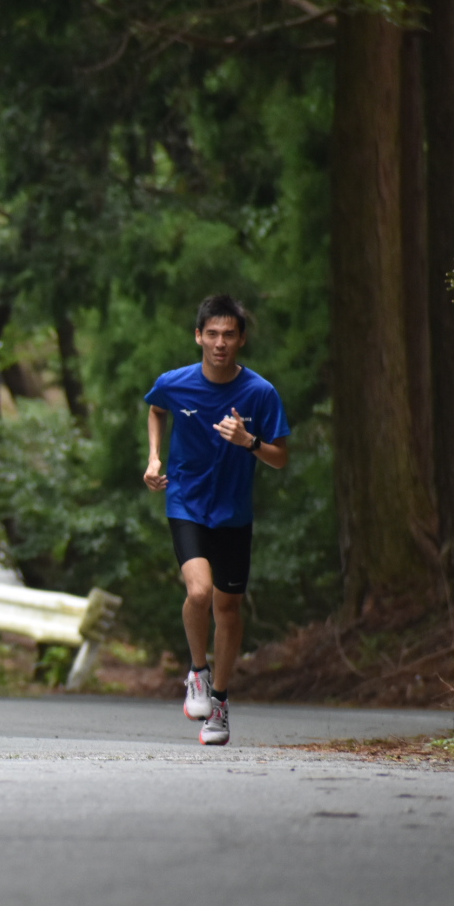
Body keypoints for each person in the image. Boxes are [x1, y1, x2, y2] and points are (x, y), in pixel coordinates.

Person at [143, 294, 290, 746]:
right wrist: (153, 458)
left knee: (228, 608)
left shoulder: (260, 394)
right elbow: (156, 408)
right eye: (212, 334)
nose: (220, 343)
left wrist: (249, 442)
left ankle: (220, 704)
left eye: (229, 334)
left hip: (233, 514)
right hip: (186, 502)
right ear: (198, 337)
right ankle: (197, 673)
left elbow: (281, 458)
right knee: (200, 591)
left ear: (241, 339)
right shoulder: (175, 382)